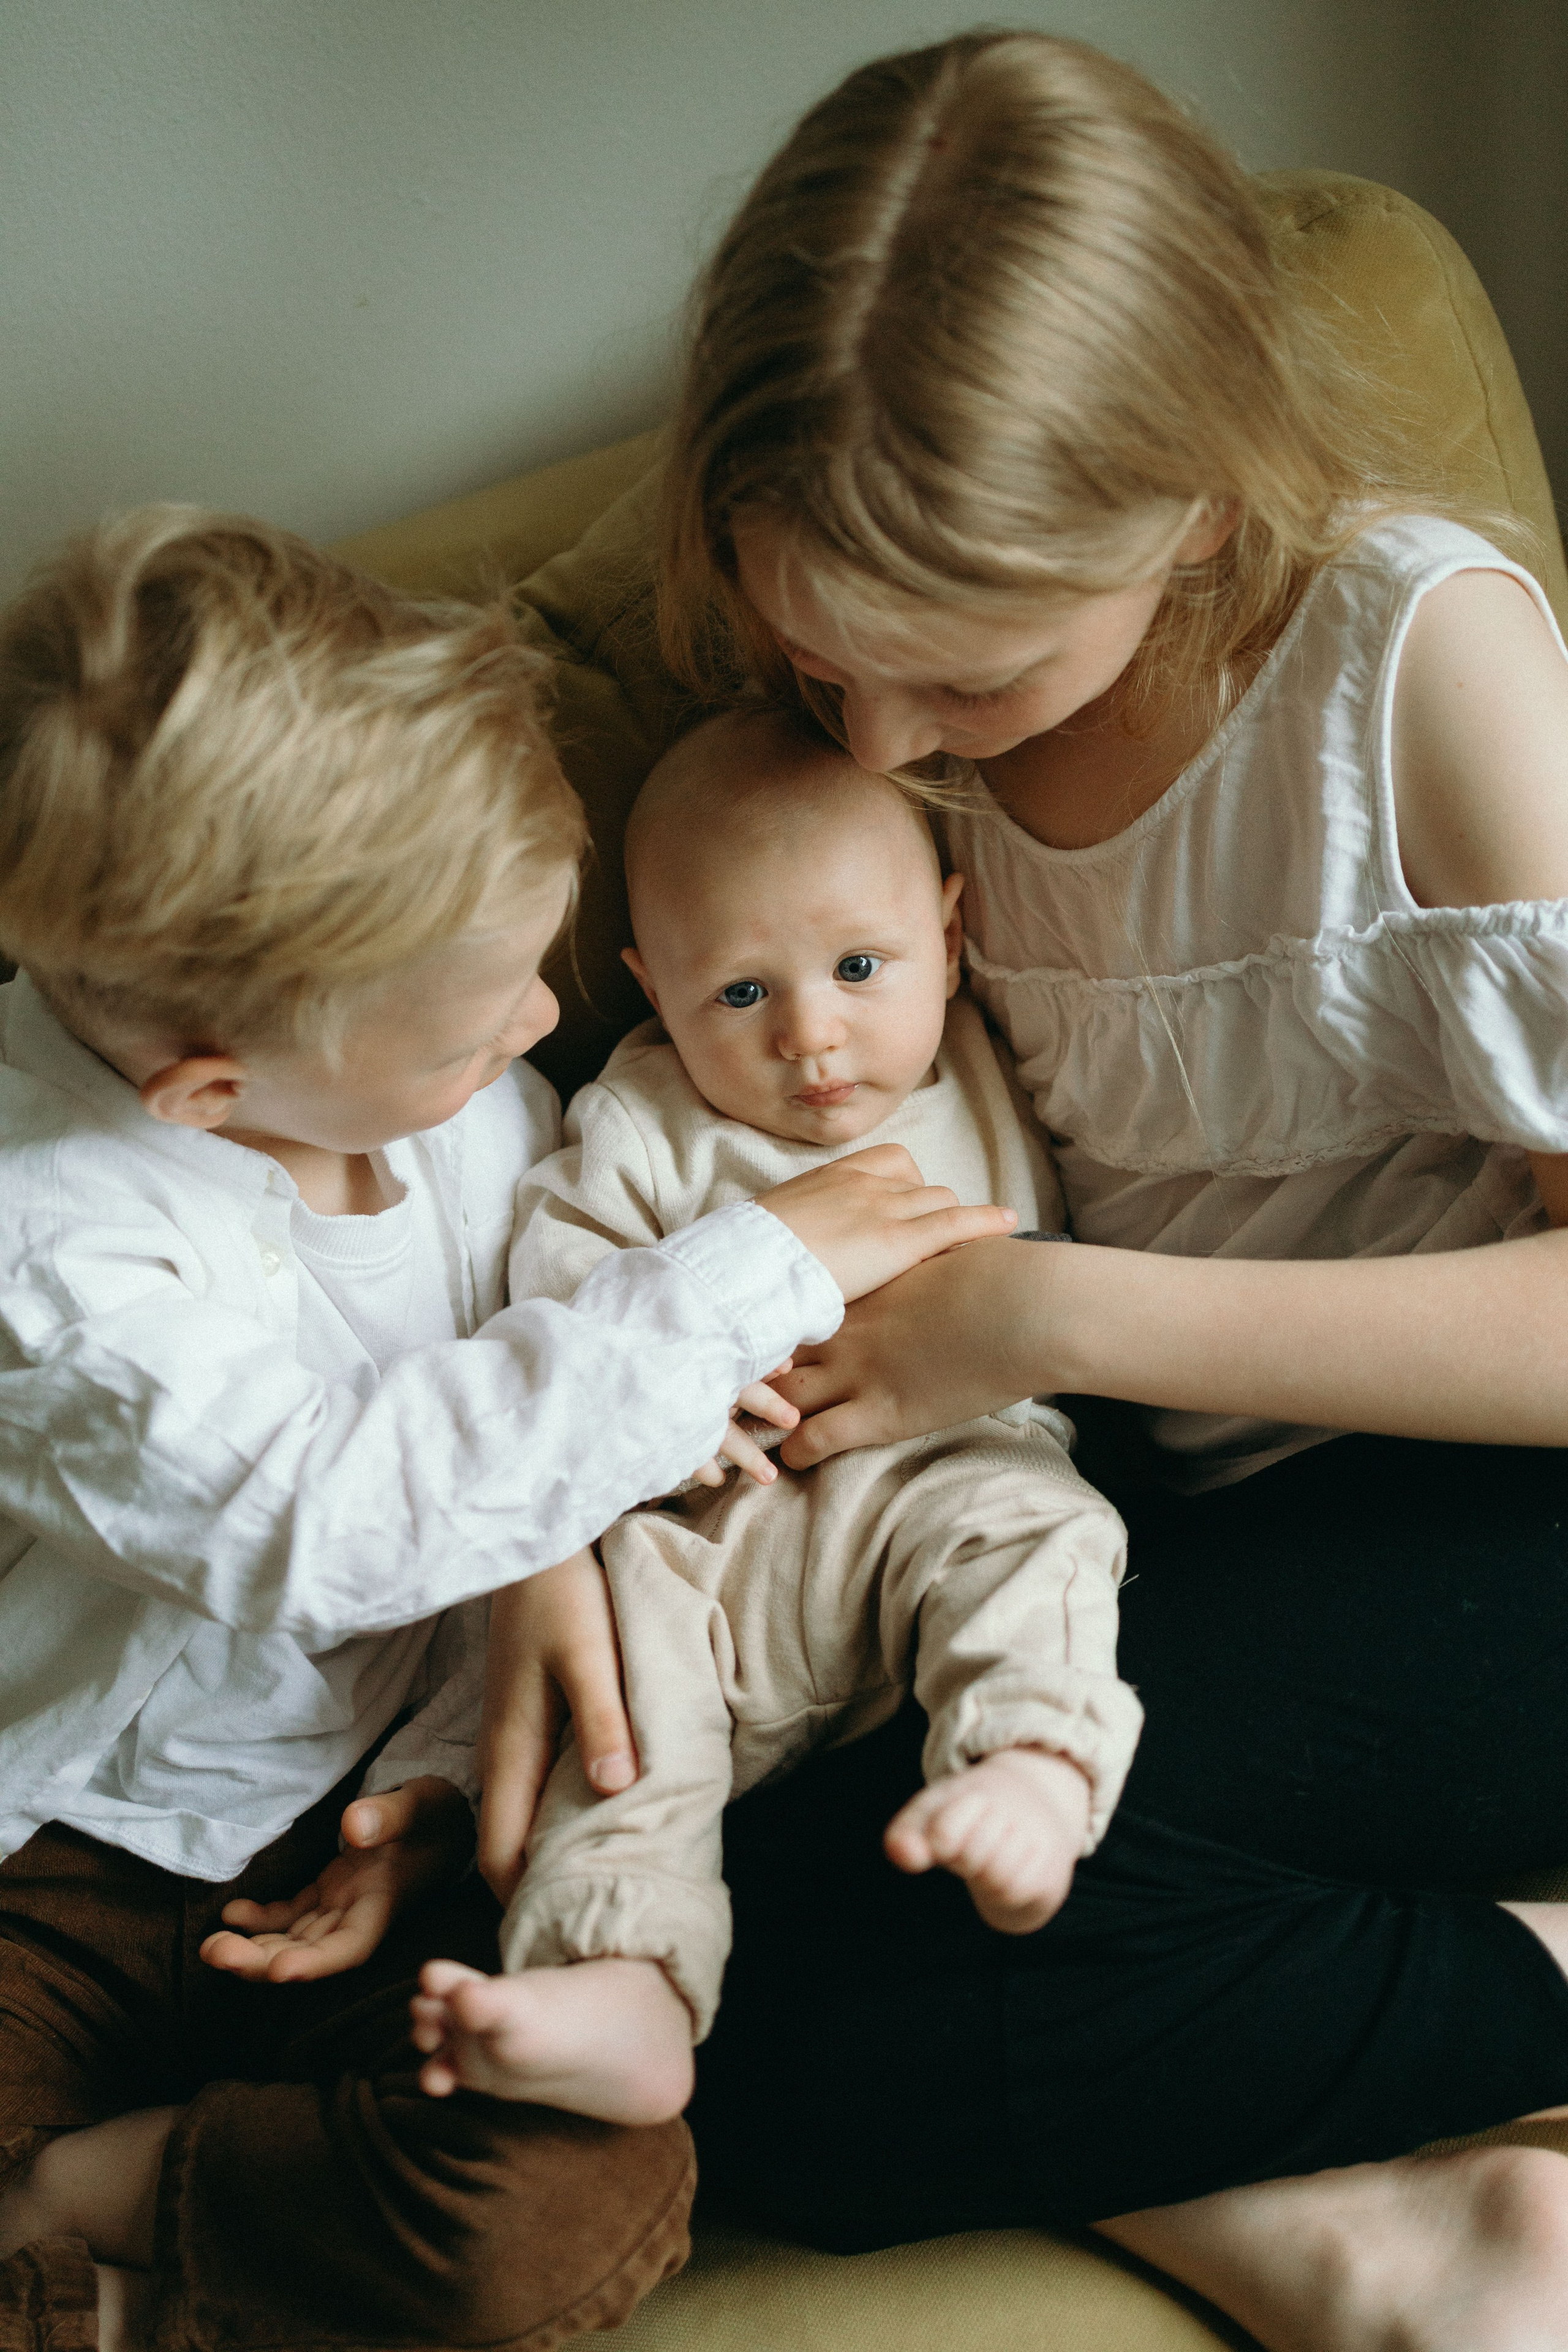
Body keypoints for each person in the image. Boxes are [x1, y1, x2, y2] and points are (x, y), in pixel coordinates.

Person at [632, 29, 1568, 2352]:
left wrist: (1047, 1314)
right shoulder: (887, 718)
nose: (873, 749)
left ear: (1191, 504)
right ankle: (1381, 2240)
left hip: (1501, 1496)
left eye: (958, 675)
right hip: (1188, 1518)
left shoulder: (1416, 674)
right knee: (709, 1977)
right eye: (814, 656)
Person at [0, 506, 1012, 2352]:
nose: (550, 1029)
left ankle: (112, 2199)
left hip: (362, 1820)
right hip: (54, 1854)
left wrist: (452, 1770)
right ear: (207, 1094)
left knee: (564, 2205)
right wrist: (748, 1265)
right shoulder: (49, 1240)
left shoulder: (450, 1102)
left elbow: (542, 1437)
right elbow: (337, 1512)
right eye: (481, 1035)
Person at [405, 707, 1139, 2121]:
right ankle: (622, 1975)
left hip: (938, 1479)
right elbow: (557, 1308)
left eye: (861, 967)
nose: (811, 1036)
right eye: (736, 993)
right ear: (648, 987)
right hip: (712, 1538)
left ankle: (1031, 1758)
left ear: (949, 928)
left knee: (1039, 1527)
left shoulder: (994, 1056)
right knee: (616, 1698)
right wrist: (668, 1395)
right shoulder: (640, 1118)